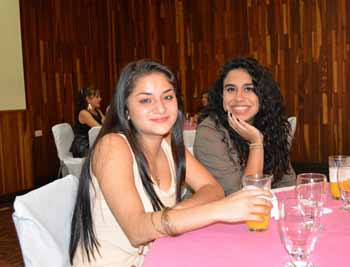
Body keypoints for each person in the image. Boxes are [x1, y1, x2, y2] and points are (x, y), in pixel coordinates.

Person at [69, 60, 272, 266]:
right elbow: (137, 230)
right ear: (126, 110)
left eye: (168, 96)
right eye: (145, 101)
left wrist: (170, 215)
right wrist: (220, 210)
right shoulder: (112, 146)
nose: (161, 108)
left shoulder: (168, 143)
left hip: (159, 255)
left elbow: (212, 189)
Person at [194, 57, 296, 196]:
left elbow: (288, 183)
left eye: (248, 89)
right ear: (221, 96)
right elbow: (243, 196)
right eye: (231, 89)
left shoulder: (270, 124)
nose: (239, 97)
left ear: (263, 95)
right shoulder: (209, 133)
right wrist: (256, 143)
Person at [70, 87, 105, 157]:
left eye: (100, 97)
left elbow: (106, 124)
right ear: (88, 99)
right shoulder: (83, 113)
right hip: (82, 147)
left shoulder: (97, 111)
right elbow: (99, 128)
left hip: (92, 143)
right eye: (97, 97)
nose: (100, 99)